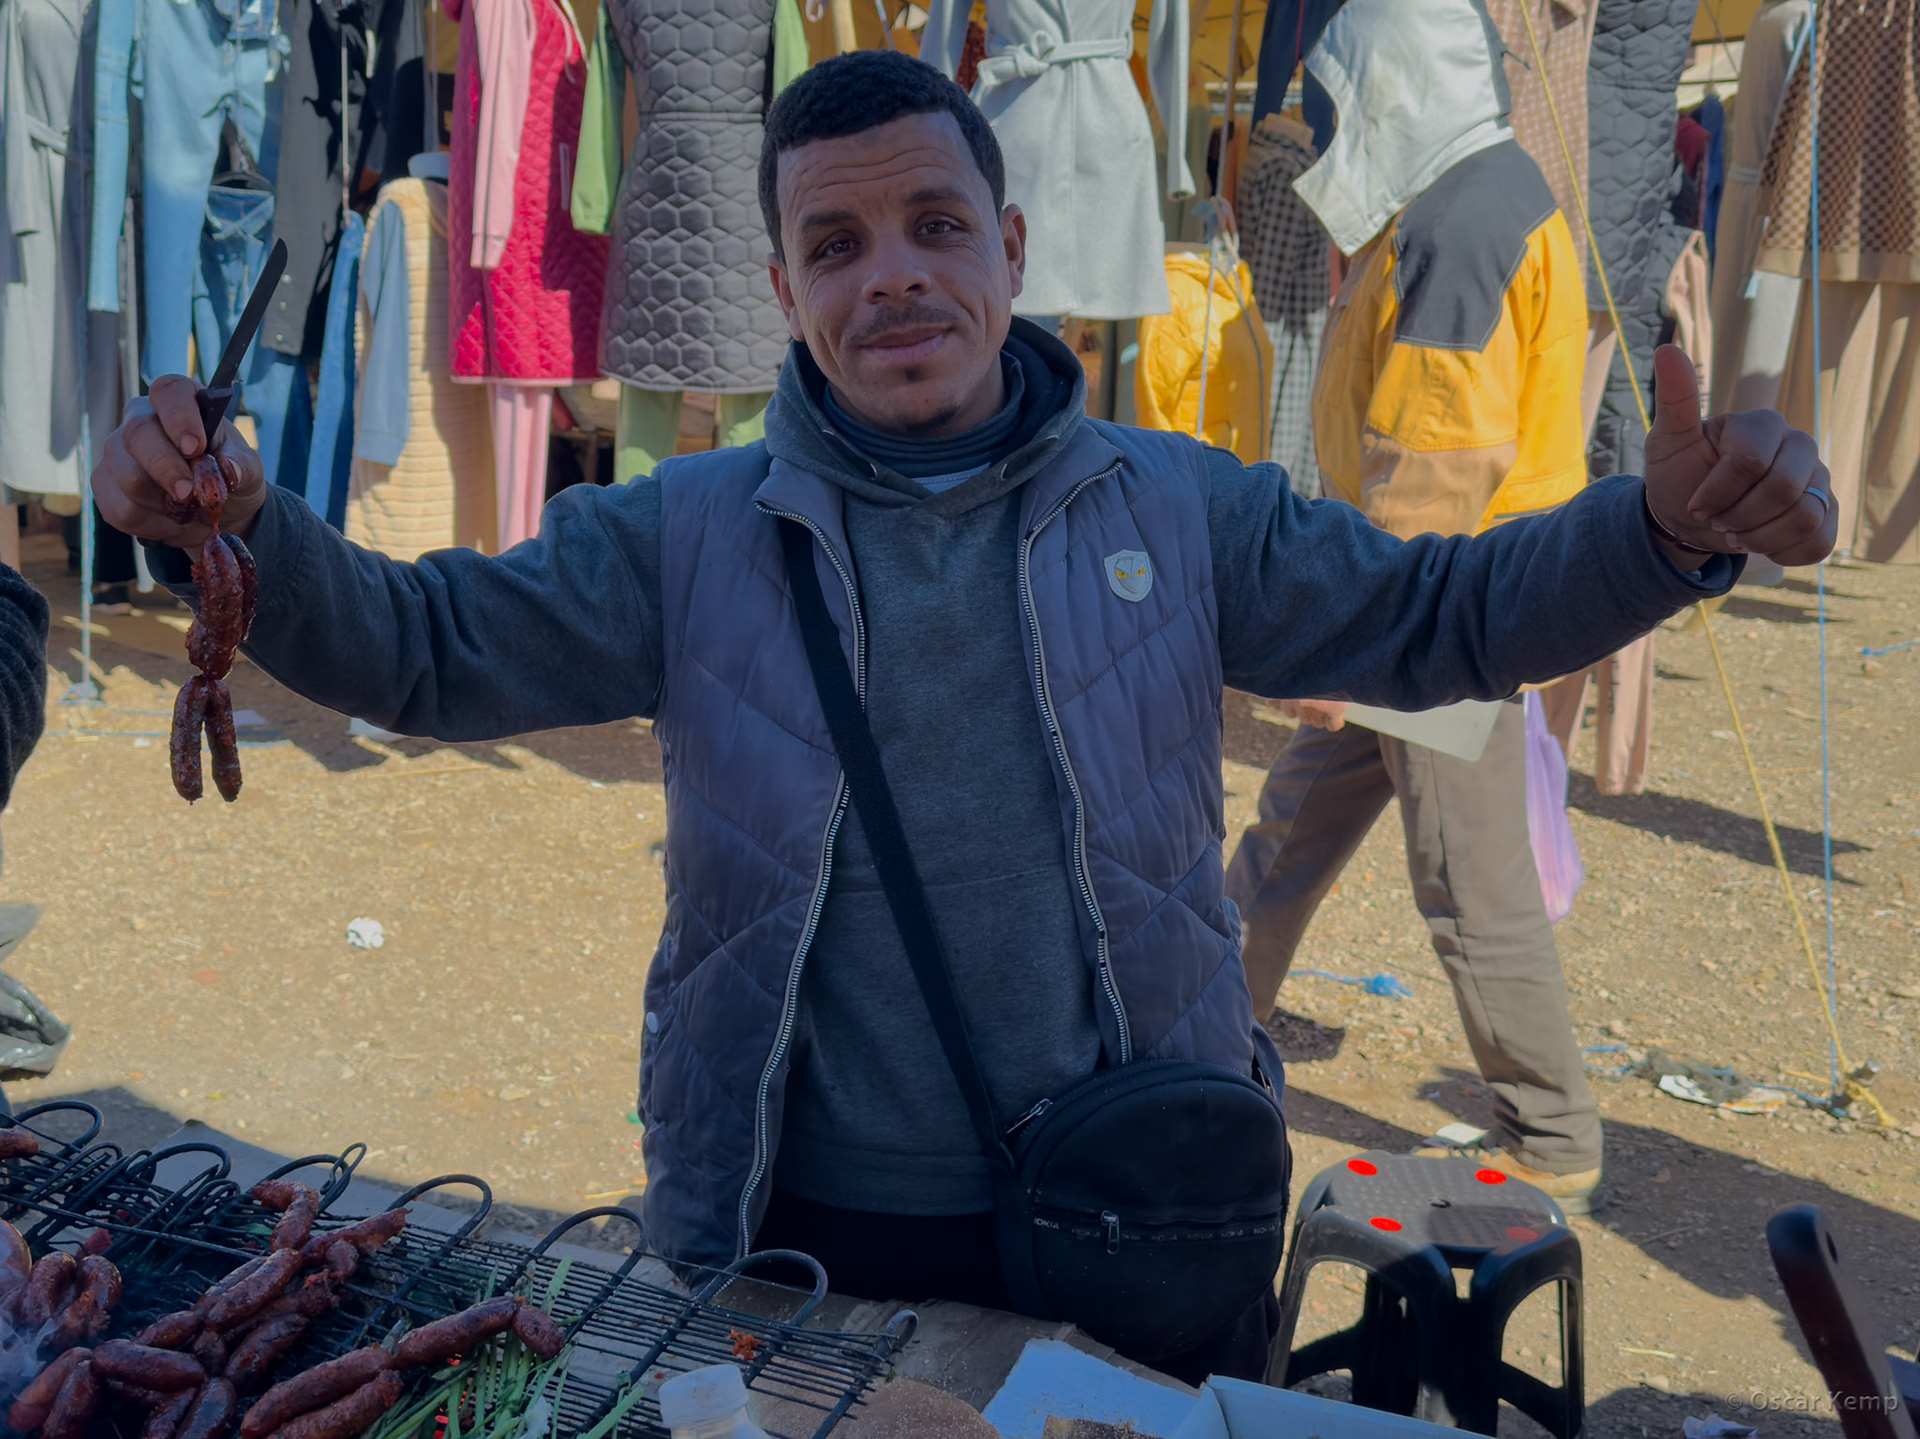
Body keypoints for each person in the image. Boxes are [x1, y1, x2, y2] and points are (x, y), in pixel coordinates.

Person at [93, 48, 1831, 1381]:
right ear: (783, 289)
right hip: (802, 1219)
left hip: (1136, 1201)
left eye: (935, 226)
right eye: (835, 244)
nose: (893, 277)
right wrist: (238, 524)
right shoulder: (686, 535)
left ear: (1009, 244)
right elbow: (421, 646)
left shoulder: (1178, 503)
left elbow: (1442, 617)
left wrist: (1660, 529)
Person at [1222, 0, 1679, 1214]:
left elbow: (1436, 467)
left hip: (1443, 615)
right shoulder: (1477, 186)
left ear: (1392, 79)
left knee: (1469, 880)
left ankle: (1551, 1135)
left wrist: (1355, 634)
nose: (1326, 117)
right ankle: (1199, 1029)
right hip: (1430, 600)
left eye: (1342, 89)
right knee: (1291, 829)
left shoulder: (1463, 221)